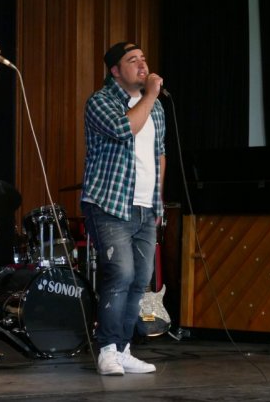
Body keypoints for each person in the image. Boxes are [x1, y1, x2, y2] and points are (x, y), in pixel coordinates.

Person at [81, 42, 166, 375]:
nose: (142, 65)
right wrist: (150, 95)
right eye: (133, 61)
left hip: (146, 206)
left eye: (143, 59)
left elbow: (160, 154)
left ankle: (123, 348)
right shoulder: (100, 101)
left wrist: (158, 200)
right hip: (110, 204)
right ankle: (107, 350)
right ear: (115, 71)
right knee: (121, 275)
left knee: (140, 280)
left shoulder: (155, 108)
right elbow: (123, 129)